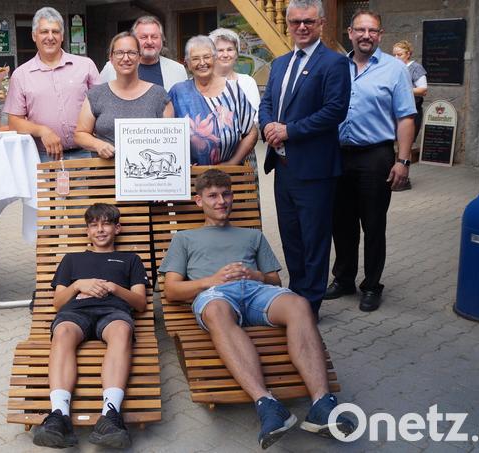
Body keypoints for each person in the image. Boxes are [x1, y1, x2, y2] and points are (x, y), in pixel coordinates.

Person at [158, 169, 355, 449]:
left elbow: (275, 280)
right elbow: (172, 290)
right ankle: (267, 404)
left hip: (257, 291)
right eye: (212, 196)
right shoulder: (184, 239)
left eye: (226, 194)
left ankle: (322, 405)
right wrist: (210, 281)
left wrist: (256, 276)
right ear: (199, 201)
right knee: (215, 312)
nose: (221, 201)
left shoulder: (253, 236)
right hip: (215, 294)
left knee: (300, 304)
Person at [258, 0, 351, 318]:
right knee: (292, 237)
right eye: (295, 21)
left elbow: (334, 111)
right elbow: (267, 100)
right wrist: (268, 124)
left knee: (314, 240)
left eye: (308, 21)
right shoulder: (280, 62)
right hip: (283, 168)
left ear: (321, 23)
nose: (301, 27)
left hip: (314, 170)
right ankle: (296, 296)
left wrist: (289, 131)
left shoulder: (334, 63)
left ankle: (309, 306)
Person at [32, 203, 148, 449]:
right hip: (77, 313)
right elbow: (57, 303)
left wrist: (114, 288)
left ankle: (110, 416)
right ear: (87, 231)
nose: (100, 229)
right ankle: (59, 416)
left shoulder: (131, 260)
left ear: (117, 228)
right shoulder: (72, 260)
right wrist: (78, 285)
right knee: (62, 331)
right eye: (94, 225)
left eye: (106, 223)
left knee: (122, 330)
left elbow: (140, 303)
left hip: (113, 312)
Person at [325, 9, 416, 312]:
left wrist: (403, 161)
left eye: (372, 31)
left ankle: (372, 285)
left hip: (375, 155)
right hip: (338, 155)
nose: (366, 35)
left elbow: (405, 117)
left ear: (380, 35)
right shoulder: (337, 66)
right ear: (349, 33)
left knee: (374, 223)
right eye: (360, 30)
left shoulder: (395, 70)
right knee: (342, 222)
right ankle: (344, 278)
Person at [4, 7, 99, 162]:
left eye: (55, 32)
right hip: (44, 158)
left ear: (62, 36)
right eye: (44, 32)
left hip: (86, 155)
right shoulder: (21, 75)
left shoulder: (85, 65)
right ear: (34, 36)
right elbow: (14, 123)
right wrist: (42, 131)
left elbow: (102, 106)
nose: (50, 37)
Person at [74, 32, 173, 159]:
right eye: (119, 53)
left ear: (139, 57)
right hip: (105, 174)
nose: (126, 58)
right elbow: (80, 134)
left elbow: (170, 140)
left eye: (131, 52)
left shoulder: (159, 96)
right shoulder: (96, 94)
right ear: (111, 58)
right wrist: (97, 144)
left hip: (147, 174)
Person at [169, 35, 257, 165]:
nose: (202, 63)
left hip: (229, 175)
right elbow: (166, 135)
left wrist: (232, 163)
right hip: (192, 177)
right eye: (195, 59)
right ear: (187, 63)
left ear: (215, 59)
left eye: (206, 57)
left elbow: (251, 132)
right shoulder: (178, 92)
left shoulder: (233, 91)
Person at [99, 16, 188, 91]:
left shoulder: (177, 70)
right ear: (134, 40)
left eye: (154, 37)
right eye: (144, 37)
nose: (149, 42)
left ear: (162, 40)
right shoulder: (111, 68)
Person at [392, 39, 428, 191]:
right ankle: (391, 175)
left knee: (404, 146)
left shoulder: (415, 68)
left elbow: (423, 89)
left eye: (399, 54)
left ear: (408, 54)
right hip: (394, 111)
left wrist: (403, 89)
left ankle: (403, 179)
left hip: (412, 111)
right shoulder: (393, 67)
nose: (396, 58)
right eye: (393, 55)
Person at [208, 28, 261, 112]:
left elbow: (255, 117)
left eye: (230, 49)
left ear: (236, 54)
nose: (225, 55)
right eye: (220, 50)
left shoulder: (247, 82)